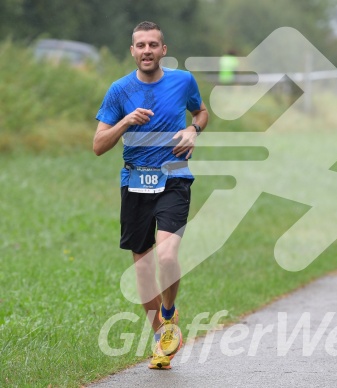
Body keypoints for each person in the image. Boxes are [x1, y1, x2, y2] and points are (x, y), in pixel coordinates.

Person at [93, 21, 208, 369]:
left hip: (174, 177)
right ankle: (161, 339)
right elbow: (98, 145)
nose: (146, 51)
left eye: (153, 45)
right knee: (143, 268)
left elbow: (201, 111)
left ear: (163, 49)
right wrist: (125, 122)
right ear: (132, 51)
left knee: (168, 255)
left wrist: (193, 129)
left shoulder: (183, 81)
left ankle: (169, 314)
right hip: (135, 183)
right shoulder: (118, 90)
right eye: (140, 45)